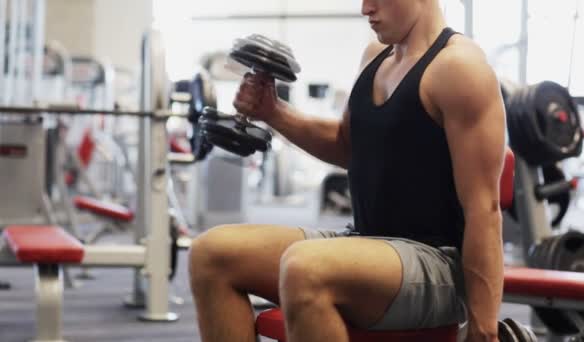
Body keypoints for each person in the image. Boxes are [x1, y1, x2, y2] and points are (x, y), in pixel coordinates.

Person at [189, 0, 506, 341]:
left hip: (438, 265)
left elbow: (483, 211)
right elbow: (347, 147)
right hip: (365, 243)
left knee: (306, 267)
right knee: (211, 254)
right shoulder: (376, 56)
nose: (365, 8)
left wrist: (484, 329)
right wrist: (273, 111)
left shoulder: (459, 68)